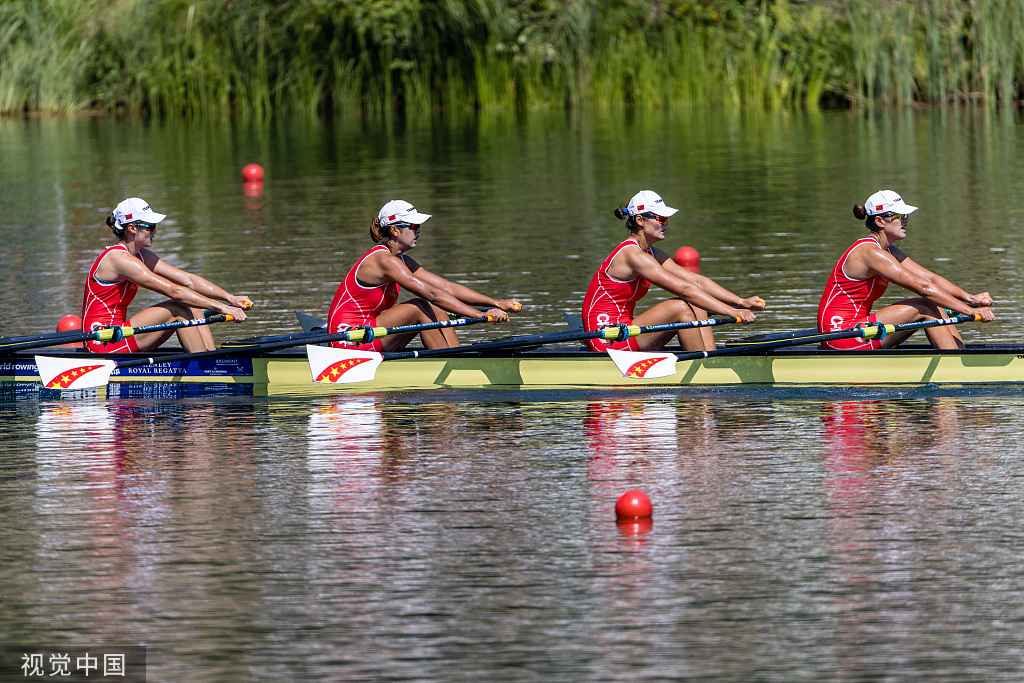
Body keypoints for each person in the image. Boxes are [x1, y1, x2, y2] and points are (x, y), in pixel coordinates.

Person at [582, 190, 764, 353]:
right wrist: (733, 313)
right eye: (661, 219)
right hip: (606, 337)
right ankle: (703, 371)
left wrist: (741, 302)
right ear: (639, 220)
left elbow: (697, 282)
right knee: (681, 306)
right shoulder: (634, 255)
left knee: (696, 301)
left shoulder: (653, 253)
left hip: (626, 328)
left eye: (666, 219)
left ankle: (710, 357)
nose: (666, 224)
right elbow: (685, 290)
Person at [327, 199, 521, 351]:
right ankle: (449, 362)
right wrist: (480, 315)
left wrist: (495, 303)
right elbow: (431, 294)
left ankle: (456, 355)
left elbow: (447, 288)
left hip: (370, 332)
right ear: (394, 230)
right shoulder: (384, 261)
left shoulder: (403, 261)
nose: (418, 231)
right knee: (420, 306)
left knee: (436, 307)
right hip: (348, 340)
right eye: (413, 226)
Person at [817, 189, 995, 350]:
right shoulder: (870, 253)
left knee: (935, 302)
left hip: (859, 327)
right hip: (841, 334)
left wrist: (970, 298)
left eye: (906, 216)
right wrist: (970, 311)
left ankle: (958, 355)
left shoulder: (888, 251)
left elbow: (930, 279)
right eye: (900, 216)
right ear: (879, 221)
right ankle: (955, 367)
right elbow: (923, 288)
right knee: (925, 305)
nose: (906, 221)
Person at [82, 197, 251, 353]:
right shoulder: (119, 259)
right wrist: (223, 308)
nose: (155, 232)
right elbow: (175, 292)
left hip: (121, 333)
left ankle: (211, 360)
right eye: (151, 227)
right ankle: (204, 367)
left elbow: (188, 281)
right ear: (132, 228)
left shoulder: (142, 256)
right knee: (179, 307)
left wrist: (230, 298)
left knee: (193, 304)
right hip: (103, 340)